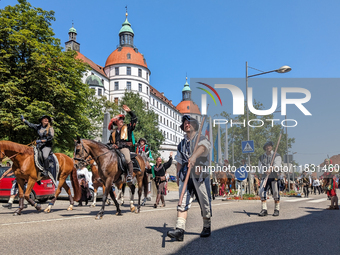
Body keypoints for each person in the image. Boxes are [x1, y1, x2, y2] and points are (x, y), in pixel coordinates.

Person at [167, 115, 211, 241]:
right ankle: (179, 230)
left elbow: (203, 148)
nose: (186, 124)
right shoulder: (181, 144)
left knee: (204, 202)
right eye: (185, 123)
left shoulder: (201, 138)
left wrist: (194, 156)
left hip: (199, 174)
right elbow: (179, 160)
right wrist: (177, 175)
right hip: (186, 175)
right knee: (182, 201)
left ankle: (207, 226)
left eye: (189, 122)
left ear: (195, 125)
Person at [107, 105, 137, 183]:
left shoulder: (127, 127)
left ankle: (130, 175)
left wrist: (130, 112)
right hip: (114, 149)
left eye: (122, 120)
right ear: (116, 122)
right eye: (120, 120)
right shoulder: (113, 132)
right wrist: (112, 145)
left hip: (124, 148)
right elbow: (110, 142)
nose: (121, 121)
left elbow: (134, 120)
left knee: (127, 158)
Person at [258, 141, 282, 217]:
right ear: (265, 148)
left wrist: (271, 169)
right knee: (262, 192)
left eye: (269, 146)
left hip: (273, 176)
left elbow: (277, 165)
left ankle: (276, 209)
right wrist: (261, 176)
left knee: (275, 192)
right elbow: (260, 167)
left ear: (271, 147)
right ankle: (264, 209)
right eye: (267, 146)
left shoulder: (277, 156)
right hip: (265, 177)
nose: (268, 147)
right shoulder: (261, 157)